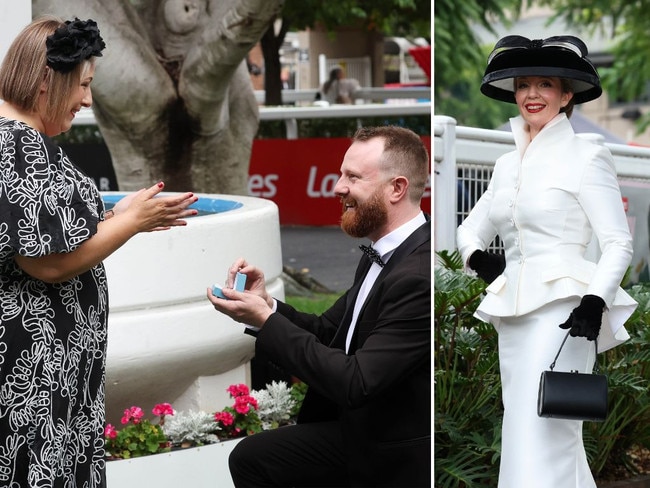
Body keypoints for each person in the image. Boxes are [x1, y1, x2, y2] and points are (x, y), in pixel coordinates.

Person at [0, 16, 198, 487]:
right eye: (83, 85)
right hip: (34, 376)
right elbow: (45, 262)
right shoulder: (15, 143)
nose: (87, 99)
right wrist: (130, 223)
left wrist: (113, 217)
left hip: (55, 373)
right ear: (48, 80)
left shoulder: (28, 139)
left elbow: (52, 234)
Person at [456, 35, 638, 487]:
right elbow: (468, 229)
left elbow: (618, 242)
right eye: (523, 84)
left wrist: (595, 302)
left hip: (567, 313)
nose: (532, 94)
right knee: (544, 434)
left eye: (545, 84)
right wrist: (480, 260)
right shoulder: (504, 164)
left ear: (566, 94)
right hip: (513, 314)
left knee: (538, 432)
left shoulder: (588, 154)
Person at [207, 125, 430, 487]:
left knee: (252, 460)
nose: (338, 187)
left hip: (393, 453)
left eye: (352, 177)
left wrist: (266, 322)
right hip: (361, 428)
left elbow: (356, 381)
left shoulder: (418, 276)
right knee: (254, 457)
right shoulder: (383, 254)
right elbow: (330, 332)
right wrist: (268, 305)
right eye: (342, 174)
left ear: (397, 188)